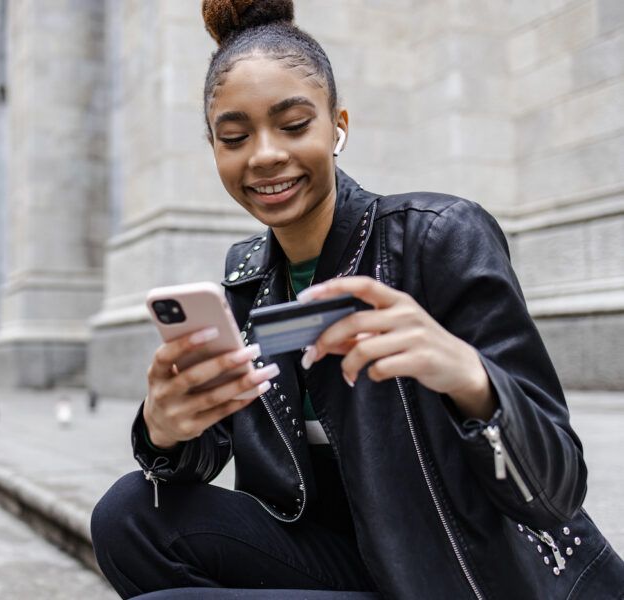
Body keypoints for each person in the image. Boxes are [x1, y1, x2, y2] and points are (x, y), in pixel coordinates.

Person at [90, 2, 624, 599]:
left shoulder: (438, 236)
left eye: (293, 125)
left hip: (468, 576)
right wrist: (165, 429)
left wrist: (470, 379)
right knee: (127, 515)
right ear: (215, 149)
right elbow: (202, 460)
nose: (265, 154)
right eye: (235, 136)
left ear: (337, 125)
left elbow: (559, 487)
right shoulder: (245, 278)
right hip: (351, 564)